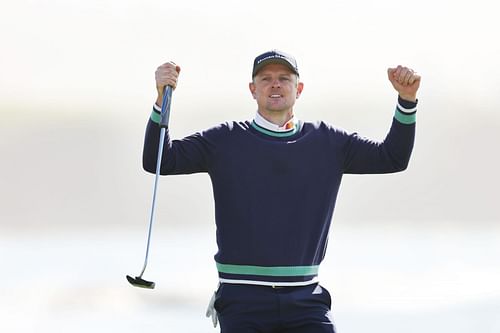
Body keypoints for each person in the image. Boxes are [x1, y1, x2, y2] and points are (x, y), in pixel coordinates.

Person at [143, 50, 420, 333]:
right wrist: (161, 97)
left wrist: (407, 100)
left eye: (284, 78)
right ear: (253, 90)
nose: (275, 84)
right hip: (242, 300)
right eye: (266, 79)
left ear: (298, 89)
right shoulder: (224, 139)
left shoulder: (328, 141)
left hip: (306, 300)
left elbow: (392, 158)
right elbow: (160, 159)